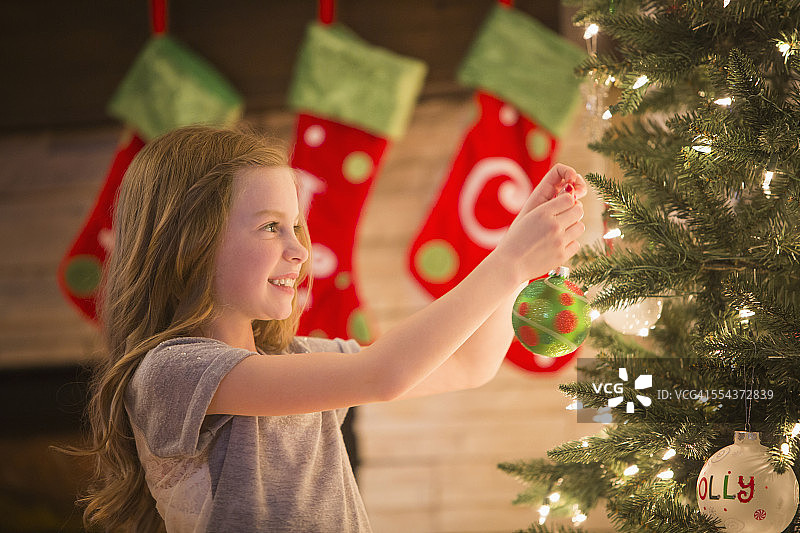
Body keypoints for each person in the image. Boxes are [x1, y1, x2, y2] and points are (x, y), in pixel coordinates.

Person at [74, 125, 586, 532]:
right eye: (270, 226)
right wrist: (509, 261)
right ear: (191, 241)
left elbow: (470, 364)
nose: (299, 251)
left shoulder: (297, 358)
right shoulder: (172, 371)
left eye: (297, 226)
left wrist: (517, 252)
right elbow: (385, 374)